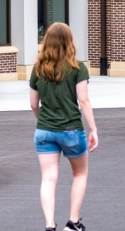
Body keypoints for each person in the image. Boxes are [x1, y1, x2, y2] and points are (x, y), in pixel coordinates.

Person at [29, 22, 98, 231]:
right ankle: (73, 222)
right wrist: (93, 129)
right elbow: (83, 101)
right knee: (80, 174)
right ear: (70, 42)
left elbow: (33, 103)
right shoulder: (78, 68)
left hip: (44, 130)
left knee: (48, 179)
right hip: (71, 130)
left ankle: (50, 225)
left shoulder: (38, 68)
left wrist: (43, 119)